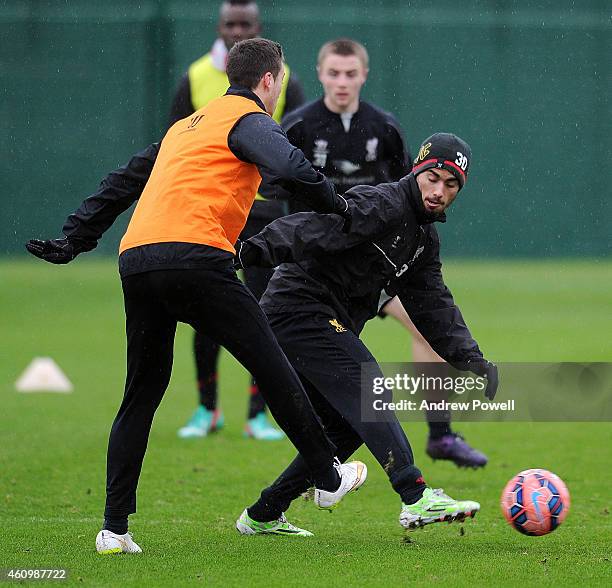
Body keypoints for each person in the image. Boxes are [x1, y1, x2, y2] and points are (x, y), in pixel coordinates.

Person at [26, 38, 366, 554]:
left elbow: (121, 183)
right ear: (269, 81)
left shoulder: (186, 127)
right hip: (196, 257)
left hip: (138, 260)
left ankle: (114, 530)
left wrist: (75, 238)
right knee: (272, 364)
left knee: (140, 395)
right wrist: (340, 208)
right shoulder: (249, 118)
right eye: (276, 85)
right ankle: (327, 475)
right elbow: (293, 168)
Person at [232, 132, 499, 535]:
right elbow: (315, 227)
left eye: (451, 185)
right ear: (417, 171)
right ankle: (415, 495)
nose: (439, 191)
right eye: (433, 178)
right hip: (296, 309)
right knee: (369, 389)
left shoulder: (423, 240)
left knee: (345, 425)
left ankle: (264, 513)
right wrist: (251, 250)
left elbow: (435, 306)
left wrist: (472, 359)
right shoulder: (385, 203)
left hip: (315, 321)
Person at [277, 38, 487, 468]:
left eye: (350, 74)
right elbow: (276, 193)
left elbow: (409, 192)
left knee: (427, 323)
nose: (342, 82)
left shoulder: (384, 129)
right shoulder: (297, 125)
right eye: (334, 73)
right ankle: (318, 458)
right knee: (327, 372)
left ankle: (440, 433)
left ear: (364, 76)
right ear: (319, 74)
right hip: (317, 265)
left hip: (378, 265)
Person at [170, 0, 306, 441]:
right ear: (219, 26)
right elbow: (173, 147)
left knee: (265, 311)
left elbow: (296, 150)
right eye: (230, 23)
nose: (236, 30)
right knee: (202, 311)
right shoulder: (194, 78)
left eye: (245, 24)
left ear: (257, 28)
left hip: (263, 212)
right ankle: (207, 409)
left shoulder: (284, 81)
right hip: (210, 214)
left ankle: (257, 413)